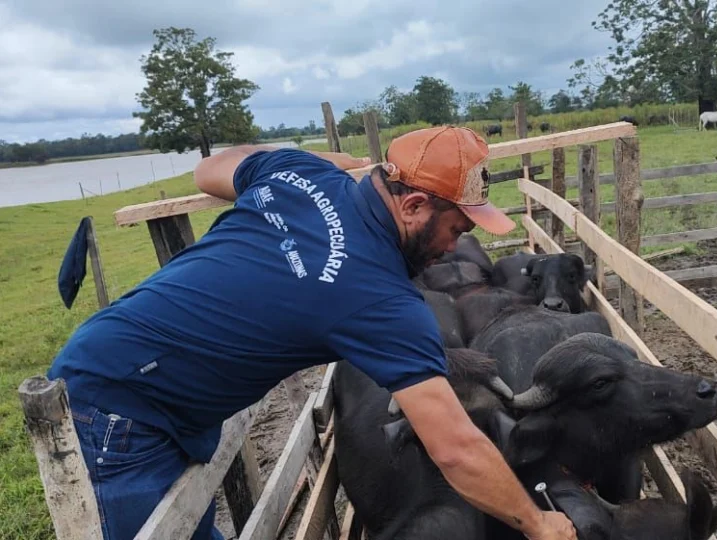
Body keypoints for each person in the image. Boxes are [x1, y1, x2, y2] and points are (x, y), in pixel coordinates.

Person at [47, 125, 577, 540]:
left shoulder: (298, 174)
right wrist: (539, 524)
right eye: (458, 229)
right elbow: (457, 448)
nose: (454, 247)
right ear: (413, 206)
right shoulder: (382, 302)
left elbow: (210, 170)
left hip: (134, 365)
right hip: (118, 407)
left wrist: (344, 167)